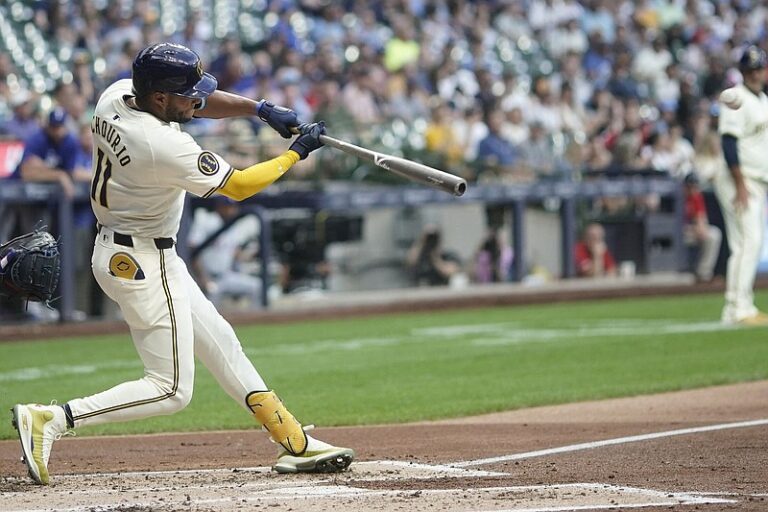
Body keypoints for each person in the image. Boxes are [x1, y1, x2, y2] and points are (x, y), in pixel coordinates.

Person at [11, 42, 354, 486]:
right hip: (141, 260)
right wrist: (296, 152)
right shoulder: (161, 144)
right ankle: (52, 419)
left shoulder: (115, 94)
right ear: (159, 98)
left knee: (223, 343)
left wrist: (261, 109)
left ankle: (293, 440)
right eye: (185, 94)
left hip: (136, 250)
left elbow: (197, 103)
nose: (196, 99)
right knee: (171, 389)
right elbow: (241, 186)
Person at [715, 45, 768, 325]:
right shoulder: (737, 98)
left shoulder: (762, 100)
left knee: (747, 242)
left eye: (759, 67)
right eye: (752, 69)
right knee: (748, 241)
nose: (756, 73)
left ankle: (736, 307)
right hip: (740, 179)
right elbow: (728, 142)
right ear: (744, 72)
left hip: (755, 179)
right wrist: (740, 184)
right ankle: (738, 307)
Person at [188, 195, 262, 307]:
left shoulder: (233, 226)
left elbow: (235, 254)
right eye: (227, 207)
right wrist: (203, 279)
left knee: (257, 286)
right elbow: (192, 250)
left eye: (232, 207)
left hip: (225, 276)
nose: (231, 210)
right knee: (211, 312)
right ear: (219, 207)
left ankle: (255, 321)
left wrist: (251, 253)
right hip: (208, 277)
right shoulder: (207, 221)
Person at [683, 173, 722, 283]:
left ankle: (703, 273)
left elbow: (701, 218)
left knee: (714, 234)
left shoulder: (697, 197)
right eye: (690, 186)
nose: (693, 189)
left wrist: (701, 228)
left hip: (692, 231)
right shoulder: (679, 197)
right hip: (678, 232)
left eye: (695, 186)